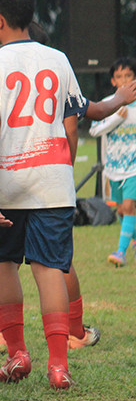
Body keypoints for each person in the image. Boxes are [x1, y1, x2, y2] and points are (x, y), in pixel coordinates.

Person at [0, 0, 133, 390]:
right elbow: (87, 109)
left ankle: (17, 353)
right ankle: (58, 365)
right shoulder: (58, 59)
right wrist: (119, 99)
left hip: (7, 182)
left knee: (2, 264)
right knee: (50, 270)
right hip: (53, 182)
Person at [90, 57, 136, 266]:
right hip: (114, 167)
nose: (124, 80)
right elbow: (94, 130)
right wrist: (117, 118)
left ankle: (120, 253)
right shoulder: (109, 103)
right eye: (119, 76)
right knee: (120, 210)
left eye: (128, 76)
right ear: (113, 81)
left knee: (129, 206)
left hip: (134, 168)